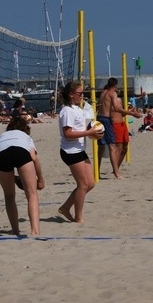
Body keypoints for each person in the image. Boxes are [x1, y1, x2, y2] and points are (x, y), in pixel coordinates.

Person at [57, 81, 102, 223]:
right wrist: (88, 132)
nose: (82, 96)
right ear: (71, 95)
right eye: (80, 94)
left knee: (91, 183)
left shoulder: (77, 109)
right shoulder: (67, 111)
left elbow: (82, 128)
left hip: (79, 149)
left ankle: (65, 207)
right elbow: (67, 134)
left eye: (83, 93)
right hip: (70, 151)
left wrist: (93, 132)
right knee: (82, 185)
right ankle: (78, 217)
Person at [0, 116, 45, 236]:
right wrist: (40, 180)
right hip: (20, 151)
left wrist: (13, 178)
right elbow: (34, 158)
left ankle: (15, 231)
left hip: (2, 155)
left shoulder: (0, 137)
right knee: (32, 194)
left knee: (9, 196)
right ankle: (35, 231)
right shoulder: (26, 136)